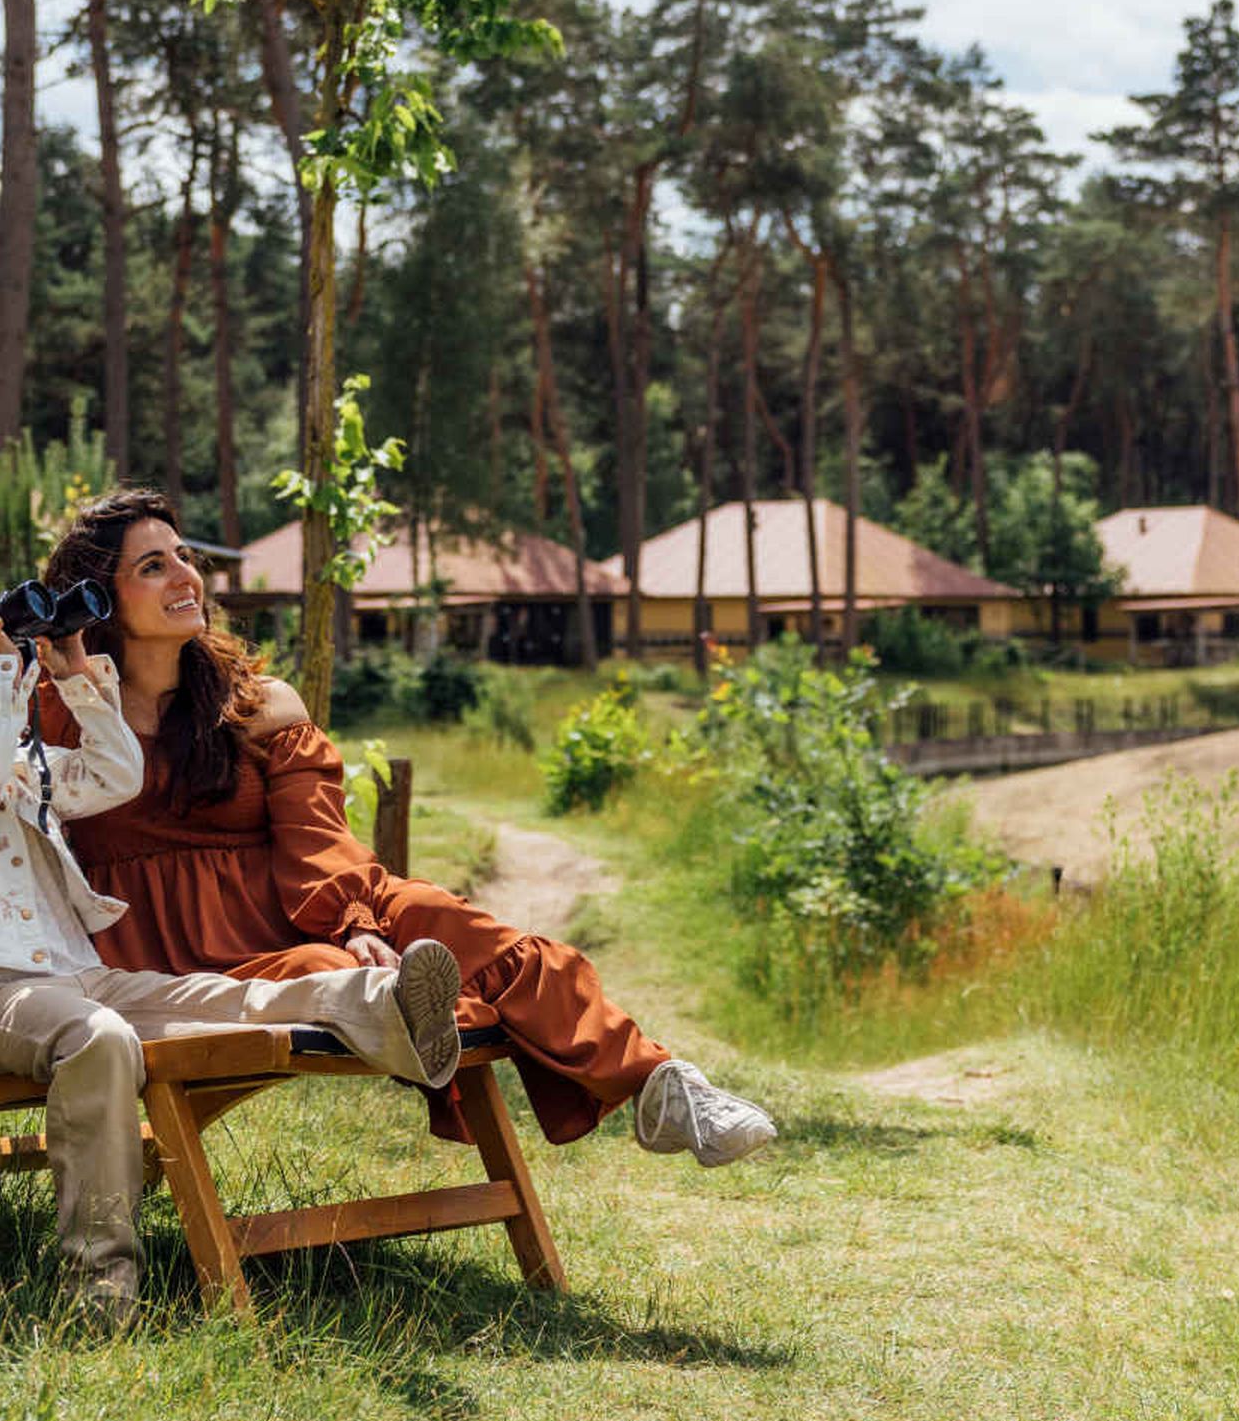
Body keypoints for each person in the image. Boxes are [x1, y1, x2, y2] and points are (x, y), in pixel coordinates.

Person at [38, 487, 775, 1167]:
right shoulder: (54, 713)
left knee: (431, 915)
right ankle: (432, 1006)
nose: (186, 578)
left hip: (292, 903)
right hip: (165, 952)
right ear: (99, 598)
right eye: (153, 566)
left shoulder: (258, 705)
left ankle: (661, 1085)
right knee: (336, 975)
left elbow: (315, 835)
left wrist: (354, 915)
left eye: (186, 558)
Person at [0, 586, 467, 1323]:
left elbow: (114, 776)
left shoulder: (5, 760)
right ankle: (99, 1287)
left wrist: (74, 674)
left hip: (75, 978)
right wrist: (6, 674)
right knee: (96, 1039)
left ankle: (390, 1012)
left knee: (224, 999)